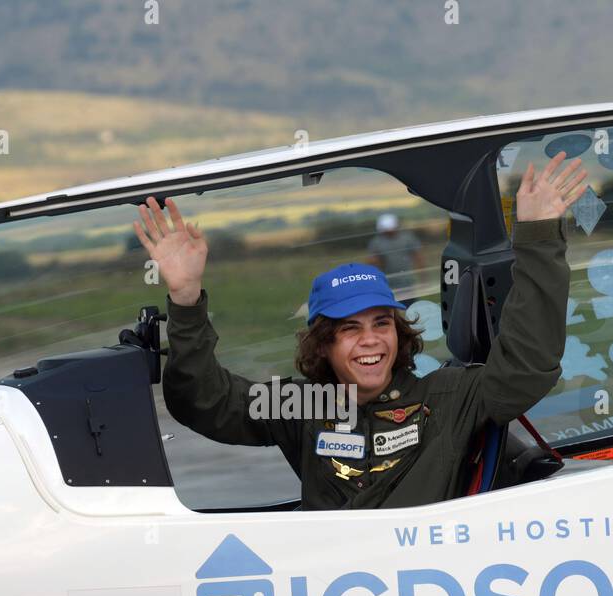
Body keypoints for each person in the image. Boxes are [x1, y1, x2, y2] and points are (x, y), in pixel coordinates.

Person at [132, 152, 586, 511]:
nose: (370, 339)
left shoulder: (448, 397)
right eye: (350, 329)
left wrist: (540, 237)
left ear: (399, 334)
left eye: (381, 323)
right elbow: (203, 402)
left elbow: (529, 366)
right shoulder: (304, 404)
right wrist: (186, 300)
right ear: (323, 346)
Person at [366, 213, 423, 293]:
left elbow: (418, 257)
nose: (389, 231)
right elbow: (372, 262)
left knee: (409, 301)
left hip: (407, 280)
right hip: (387, 282)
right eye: (386, 229)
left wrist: (423, 277)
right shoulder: (376, 242)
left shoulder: (407, 238)